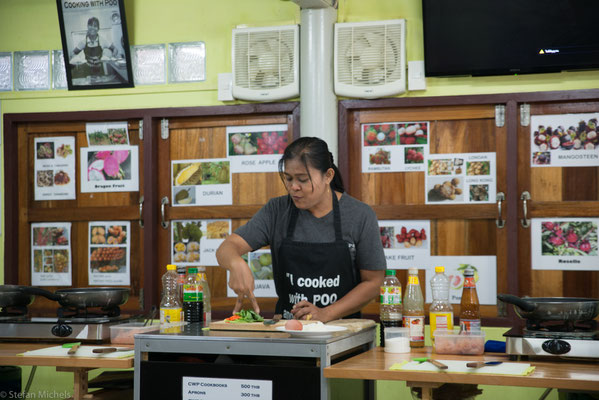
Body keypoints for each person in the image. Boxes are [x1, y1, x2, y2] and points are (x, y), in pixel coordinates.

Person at [216, 137, 386, 322]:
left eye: (302, 180)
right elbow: (228, 247)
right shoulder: (277, 210)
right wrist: (234, 262)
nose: (293, 187)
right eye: (288, 178)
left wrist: (325, 313)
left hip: (343, 334)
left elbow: (374, 282)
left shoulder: (359, 215)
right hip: (290, 331)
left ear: (328, 176)